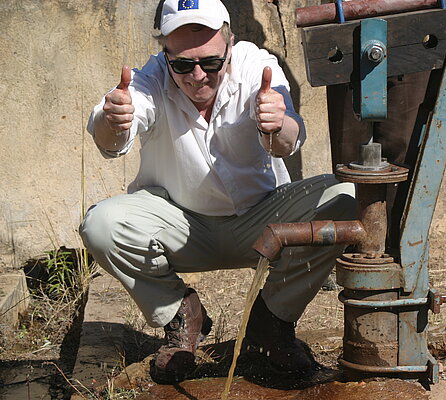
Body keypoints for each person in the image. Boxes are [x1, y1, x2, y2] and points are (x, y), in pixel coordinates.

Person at [79, 0, 356, 384]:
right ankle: (181, 314)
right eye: (182, 65)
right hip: (182, 225)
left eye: (210, 62)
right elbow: (112, 138)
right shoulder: (149, 77)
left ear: (230, 45)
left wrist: (277, 123)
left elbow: (289, 138)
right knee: (100, 224)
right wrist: (115, 119)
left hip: (261, 226)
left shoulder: (256, 66)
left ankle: (272, 322)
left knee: (345, 196)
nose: (197, 76)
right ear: (165, 56)